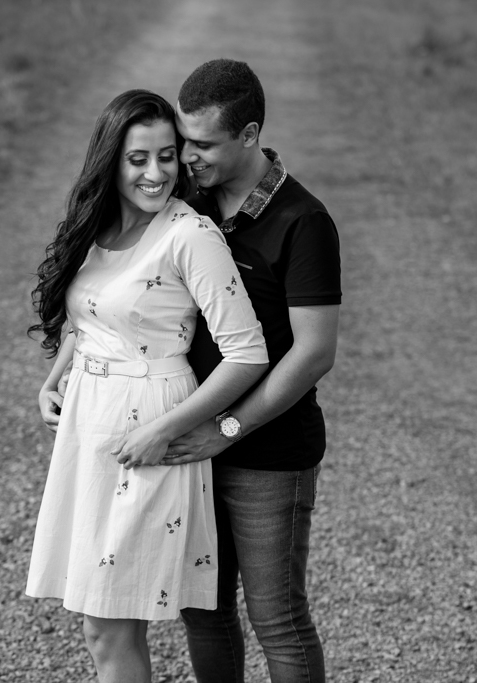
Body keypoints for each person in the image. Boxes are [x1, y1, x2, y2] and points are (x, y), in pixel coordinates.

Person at [24, 89, 269, 683]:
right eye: (139, 159)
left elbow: (248, 353)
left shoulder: (190, 236)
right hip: (89, 427)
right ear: (110, 159)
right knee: (98, 623)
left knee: (108, 625)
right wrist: (54, 381)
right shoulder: (98, 226)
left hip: (150, 429)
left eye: (167, 155)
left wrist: (166, 430)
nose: (156, 173)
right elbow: (94, 319)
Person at [163, 59, 341, 683]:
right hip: (193, 442)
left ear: (249, 134)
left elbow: (314, 351)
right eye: (185, 138)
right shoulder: (188, 205)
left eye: (204, 142)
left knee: (278, 620)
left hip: (270, 454)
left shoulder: (304, 220)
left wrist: (230, 427)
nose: (188, 155)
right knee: (202, 609)